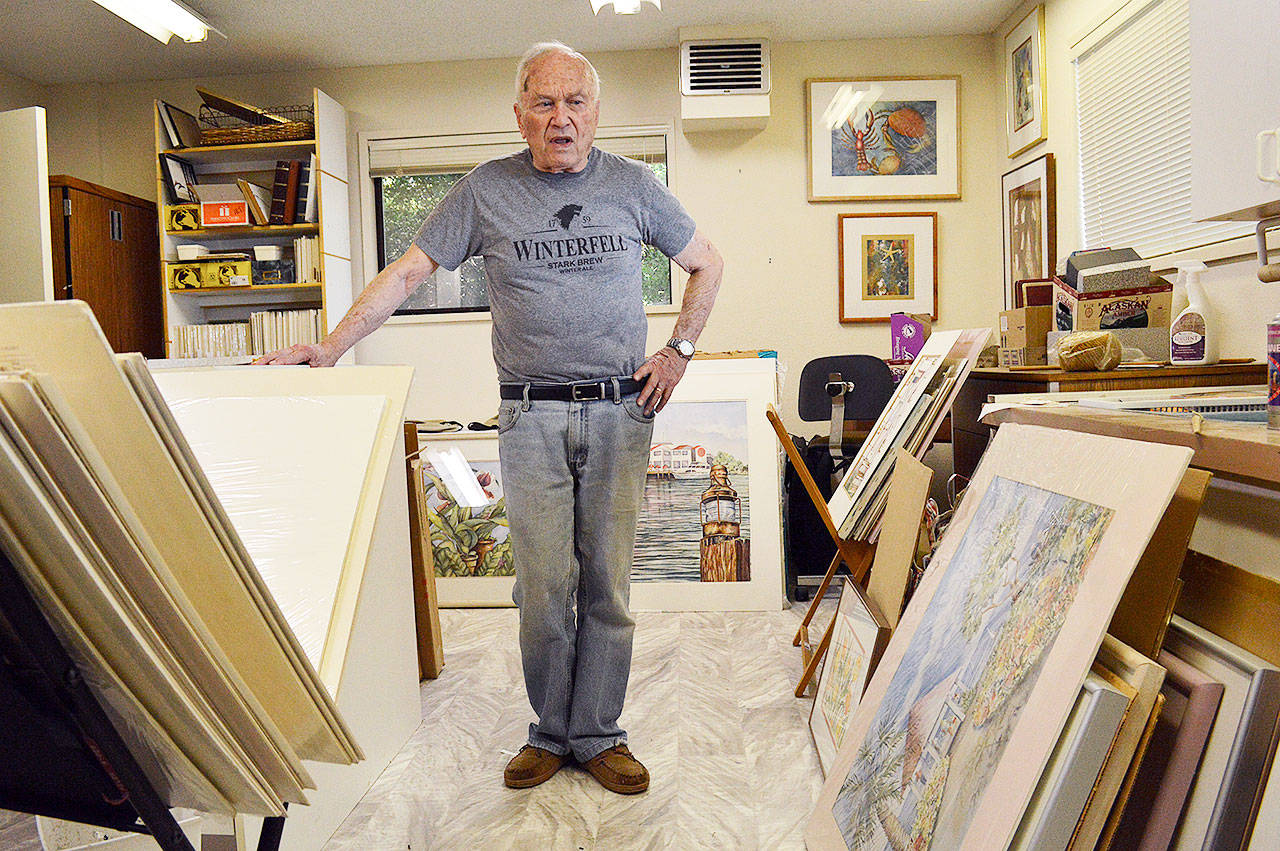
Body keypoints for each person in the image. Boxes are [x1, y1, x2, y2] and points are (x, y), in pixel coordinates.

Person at [256, 41, 723, 795]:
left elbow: (709, 261)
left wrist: (679, 350)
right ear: (520, 115)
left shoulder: (635, 186)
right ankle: (551, 732)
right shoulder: (484, 190)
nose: (561, 118)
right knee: (541, 586)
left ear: (595, 113)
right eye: (544, 103)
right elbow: (408, 272)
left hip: (620, 410)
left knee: (607, 585)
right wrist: (331, 347)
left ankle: (599, 734)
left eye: (575, 102)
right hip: (529, 414)